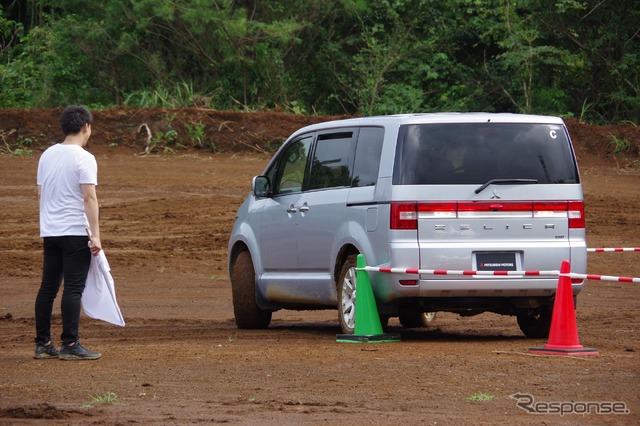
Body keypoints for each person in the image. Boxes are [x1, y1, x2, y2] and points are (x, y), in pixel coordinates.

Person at [34, 105, 102, 361]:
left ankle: (42, 344)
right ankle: (70, 344)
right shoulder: (84, 157)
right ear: (86, 127)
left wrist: (46, 224)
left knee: (47, 288)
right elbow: (89, 198)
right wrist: (95, 235)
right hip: (75, 231)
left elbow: (41, 193)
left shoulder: (47, 155)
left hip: (50, 231)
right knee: (73, 288)